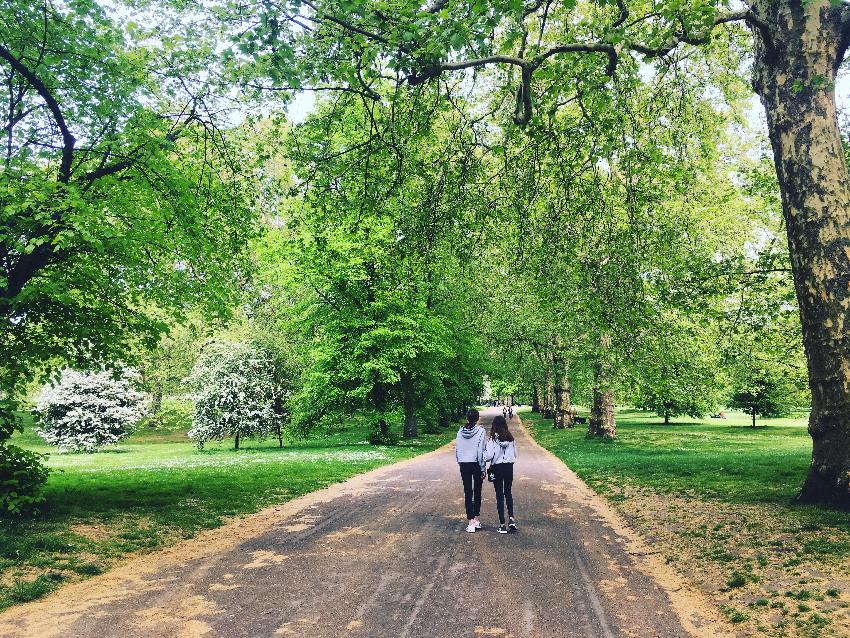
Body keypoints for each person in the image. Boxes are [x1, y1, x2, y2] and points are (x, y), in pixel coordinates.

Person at [485, 415, 517, 534]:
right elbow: (515, 454)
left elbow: (488, 456)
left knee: (499, 494)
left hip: (497, 468)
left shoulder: (493, 439)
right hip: (509, 467)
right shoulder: (511, 438)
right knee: (508, 492)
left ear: (494, 426)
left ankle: (502, 525)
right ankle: (512, 520)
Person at [456, 408, 486, 533]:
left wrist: (460, 461)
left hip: (464, 463)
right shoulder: (481, 431)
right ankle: (476, 518)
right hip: (475, 464)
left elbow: (457, 448)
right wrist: (482, 467)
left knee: (467, 491)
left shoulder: (460, 431)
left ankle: (471, 520)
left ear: (467, 418)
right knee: (477, 490)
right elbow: (480, 451)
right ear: (477, 418)